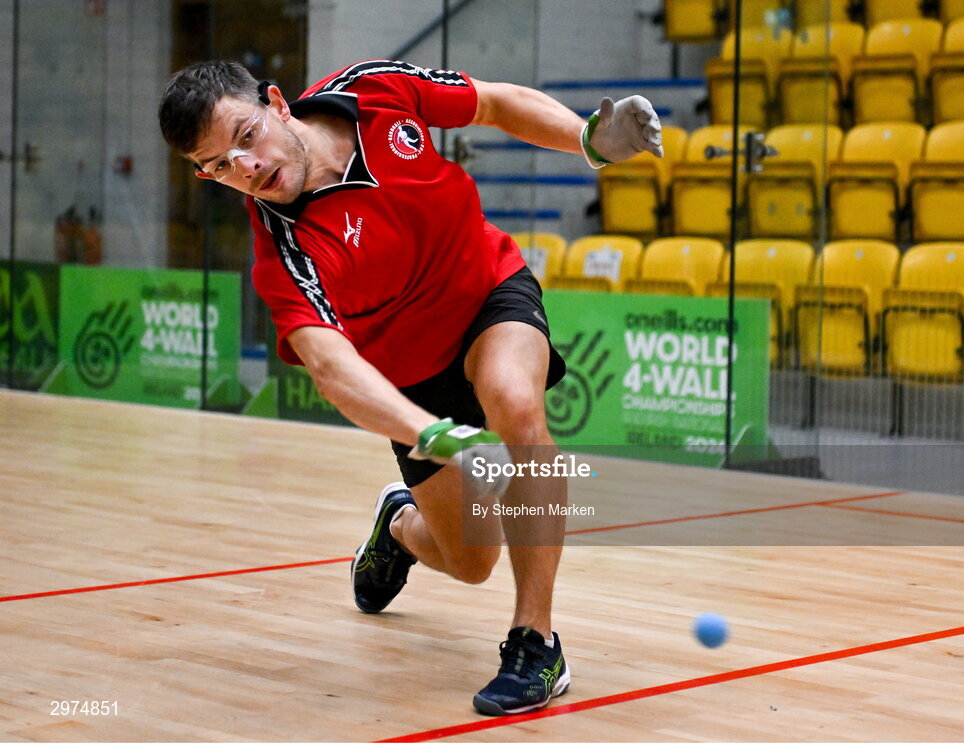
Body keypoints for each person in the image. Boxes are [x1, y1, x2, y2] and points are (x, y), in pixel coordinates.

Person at [158, 58, 662, 716]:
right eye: (220, 165)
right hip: (409, 381)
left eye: (246, 137)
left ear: (277, 104)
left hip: (486, 292)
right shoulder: (281, 251)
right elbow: (335, 368)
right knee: (470, 560)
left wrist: (588, 140)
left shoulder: (371, 89)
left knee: (515, 403)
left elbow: (496, 102)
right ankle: (399, 526)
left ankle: (536, 642)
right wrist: (430, 431)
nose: (245, 168)